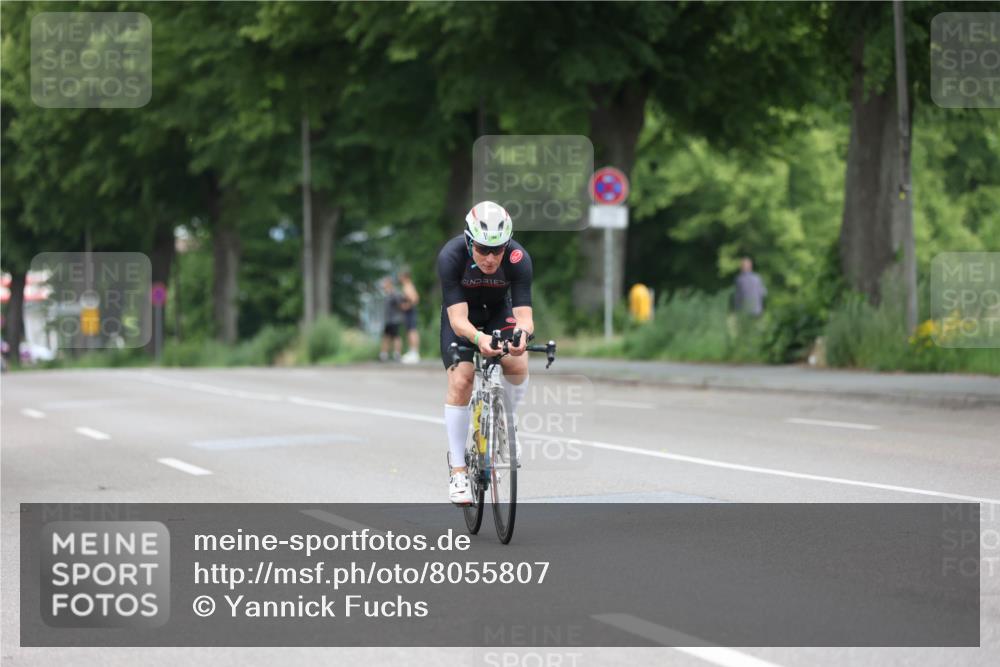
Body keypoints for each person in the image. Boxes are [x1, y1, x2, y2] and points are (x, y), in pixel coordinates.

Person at [438, 201, 533, 505]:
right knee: (462, 379)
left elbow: (524, 316)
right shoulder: (451, 257)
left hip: (497, 313)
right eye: (483, 249)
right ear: (469, 242)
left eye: (498, 249)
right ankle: (458, 470)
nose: (491, 258)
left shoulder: (518, 258)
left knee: (517, 360)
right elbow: (457, 319)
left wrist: (522, 335)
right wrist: (479, 339)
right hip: (462, 319)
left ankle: (505, 420)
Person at [398, 269, 421, 364]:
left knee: (412, 331)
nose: (399, 278)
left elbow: (415, 298)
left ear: (404, 277)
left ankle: (415, 353)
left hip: (410, 312)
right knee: (409, 331)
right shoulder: (406, 286)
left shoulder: (408, 286)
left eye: (400, 276)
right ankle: (412, 351)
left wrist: (407, 306)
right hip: (408, 313)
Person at [379, 277, 404, 362]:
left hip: (395, 319)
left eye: (385, 283)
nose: (383, 285)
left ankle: (397, 354)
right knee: (386, 337)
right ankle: (384, 354)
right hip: (388, 320)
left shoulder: (394, 294)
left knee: (396, 336)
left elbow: (400, 304)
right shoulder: (386, 294)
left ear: (389, 284)